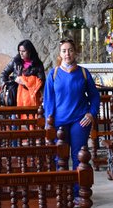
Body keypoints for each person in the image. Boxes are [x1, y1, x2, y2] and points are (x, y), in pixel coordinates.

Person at [43, 38, 100, 171]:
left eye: (70, 50)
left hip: (80, 121)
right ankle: (62, 190)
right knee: (59, 158)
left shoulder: (83, 73)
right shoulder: (53, 73)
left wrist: (92, 113)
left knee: (79, 157)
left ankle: (78, 190)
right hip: (59, 122)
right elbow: (49, 100)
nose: (67, 54)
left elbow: (95, 96)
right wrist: (49, 122)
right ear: (60, 54)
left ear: (75, 53)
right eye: (64, 51)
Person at [0, 39, 45, 107]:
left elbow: (41, 82)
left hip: (30, 97)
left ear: (30, 51)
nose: (21, 53)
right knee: (14, 116)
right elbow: (3, 74)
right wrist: (4, 85)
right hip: (14, 95)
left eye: (23, 51)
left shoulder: (37, 64)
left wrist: (24, 82)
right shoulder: (15, 61)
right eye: (19, 51)